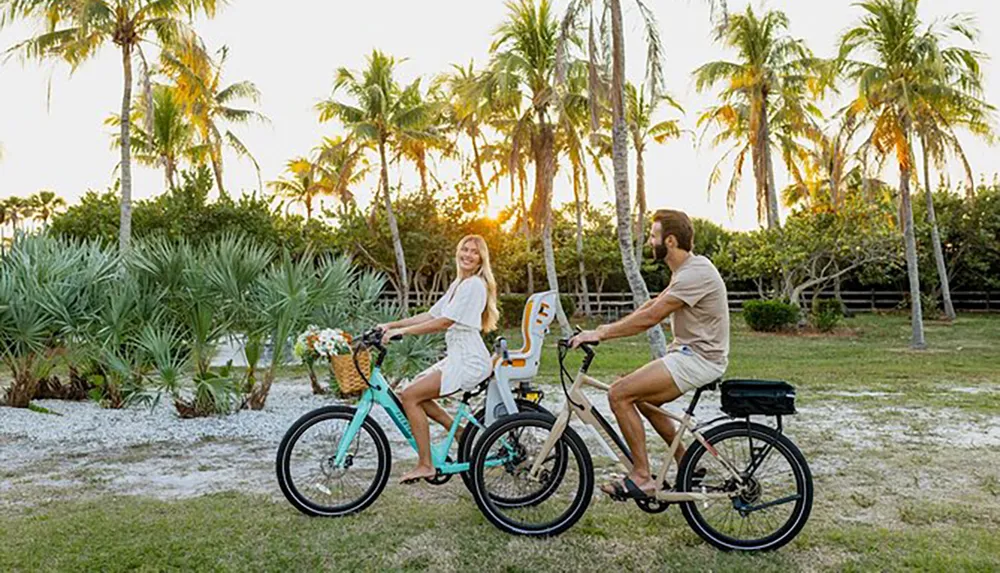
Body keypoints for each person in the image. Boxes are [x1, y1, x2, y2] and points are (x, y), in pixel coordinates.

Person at [570, 209, 730, 499]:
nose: (648, 241)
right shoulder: (687, 269)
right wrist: (605, 327)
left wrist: (601, 334)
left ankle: (642, 477)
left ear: (669, 241)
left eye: (653, 236)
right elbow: (652, 305)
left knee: (619, 393)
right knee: (638, 395)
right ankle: (686, 464)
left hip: (698, 359)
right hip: (689, 355)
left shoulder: (695, 273)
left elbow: (651, 317)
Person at [379, 235, 500, 484]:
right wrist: (391, 325)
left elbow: (444, 322)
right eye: (464, 249)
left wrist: (401, 333)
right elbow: (430, 314)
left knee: (411, 395)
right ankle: (459, 432)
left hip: (468, 361)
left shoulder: (474, 285)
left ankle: (426, 465)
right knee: (408, 392)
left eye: (474, 252)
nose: (467, 255)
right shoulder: (459, 283)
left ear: (481, 259)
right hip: (458, 357)